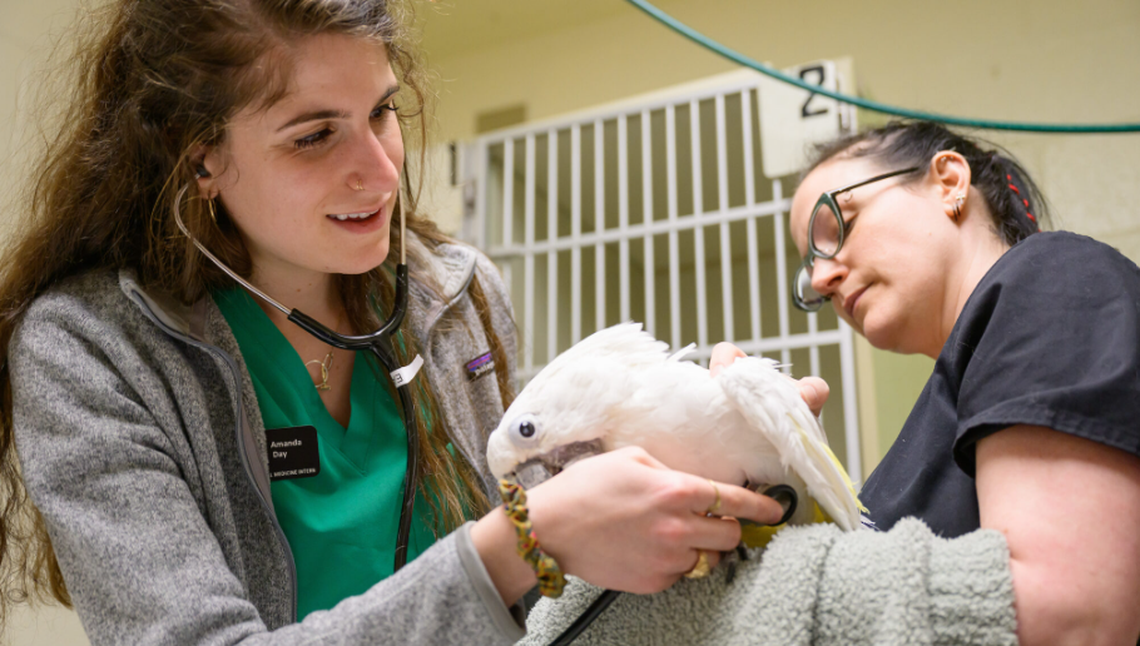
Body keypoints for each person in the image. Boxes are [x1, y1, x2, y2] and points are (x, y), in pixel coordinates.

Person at [0, 0, 786, 643]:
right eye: (313, 136)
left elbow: (557, 571)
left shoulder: (460, 295)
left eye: (380, 112)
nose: (382, 172)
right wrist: (523, 540)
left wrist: (695, 461)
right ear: (197, 156)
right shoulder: (90, 350)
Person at [521, 121, 1140, 646]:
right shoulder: (948, 404)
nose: (818, 280)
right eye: (807, 265)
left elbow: (1069, 615)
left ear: (948, 181)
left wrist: (741, 590)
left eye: (833, 225)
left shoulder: (1050, 275)